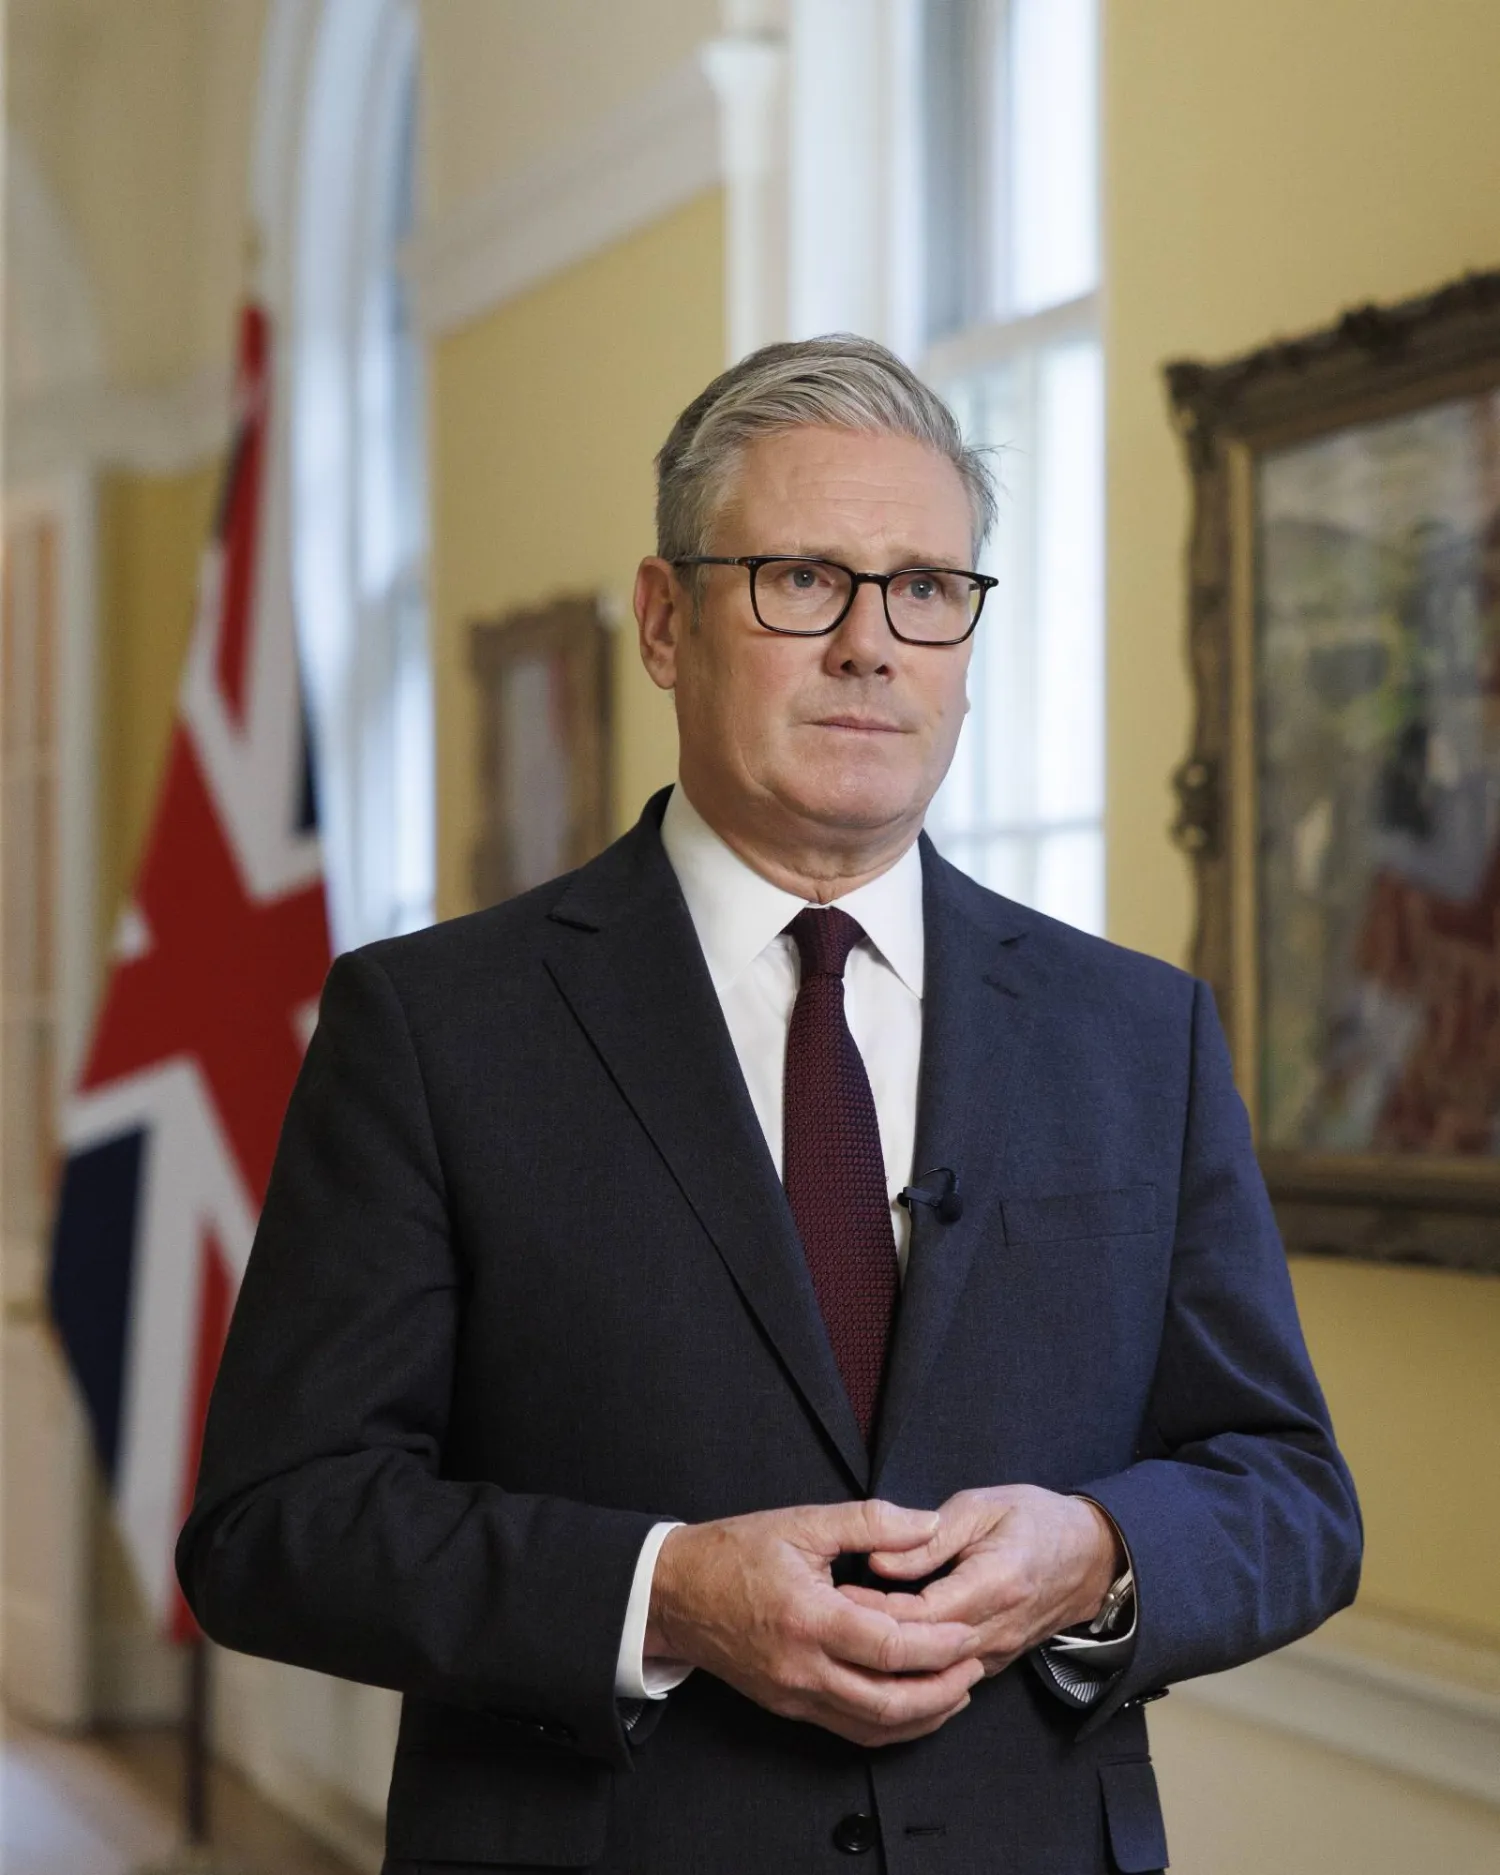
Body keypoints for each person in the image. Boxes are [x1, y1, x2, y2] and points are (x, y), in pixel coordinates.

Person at [178, 335, 1362, 1875]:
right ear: (666, 621)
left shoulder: (1140, 1029)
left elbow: (1289, 1490)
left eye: (927, 589)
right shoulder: (432, 1025)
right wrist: (662, 1592)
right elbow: (277, 1526)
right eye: (803, 577)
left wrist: (1097, 1555)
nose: (873, 643)